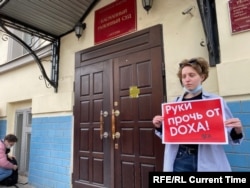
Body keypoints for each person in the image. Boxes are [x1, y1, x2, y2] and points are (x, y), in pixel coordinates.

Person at [152, 57, 244, 172]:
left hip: (209, 158)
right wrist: (159, 126)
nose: (187, 79)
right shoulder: (174, 105)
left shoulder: (215, 102)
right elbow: (170, 135)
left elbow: (230, 137)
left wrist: (237, 130)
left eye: (191, 75)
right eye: (184, 76)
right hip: (181, 158)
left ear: (202, 77)